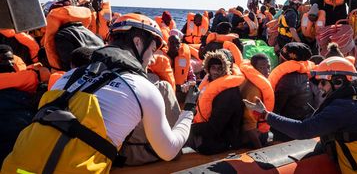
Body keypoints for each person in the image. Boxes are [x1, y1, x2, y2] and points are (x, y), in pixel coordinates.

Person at [2, 13, 195, 173]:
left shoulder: (67, 77)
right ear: (138, 42)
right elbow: (169, 151)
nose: (152, 59)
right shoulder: (143, 88)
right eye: (152, 50)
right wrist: (189, 111)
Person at [244, 56, 357, 174]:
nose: (319, 87)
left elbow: (302, 130)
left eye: (322, 82)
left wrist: (266, 115)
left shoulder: (343, 108)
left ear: (338, 81)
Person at [187, 49, 245, 155]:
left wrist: (188, 128)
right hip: (209, 131)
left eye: (220, 68)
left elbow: (214, 128)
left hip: (222, 141)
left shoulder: (229, 93)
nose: (216, 72)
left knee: (180, 134)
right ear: (208, 68)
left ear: (226, 69)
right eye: (213, 68)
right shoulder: (210, 82)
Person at [268, 42, 315, 141]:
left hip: (289, 128)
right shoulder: (306, 73)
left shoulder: (288, 80)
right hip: (305, 119)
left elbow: (276, 109)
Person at [239, 54, 274, 148]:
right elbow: (249, 125)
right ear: (254, 69)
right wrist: (259, 149)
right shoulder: (254, 90)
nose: (267, 71)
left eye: (268, 67)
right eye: (262, 68)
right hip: (252, 138)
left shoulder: (254, 82)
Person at [166, 35, 196, 104]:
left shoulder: (184, 59)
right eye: (172, 42)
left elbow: (192, 78)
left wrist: (188, 84)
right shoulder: (162, 59)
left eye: (177, 43)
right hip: (167, 91)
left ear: (180, 44)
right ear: (168, 44)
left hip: (181, 91)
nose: (174, 45)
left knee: (194, 89)